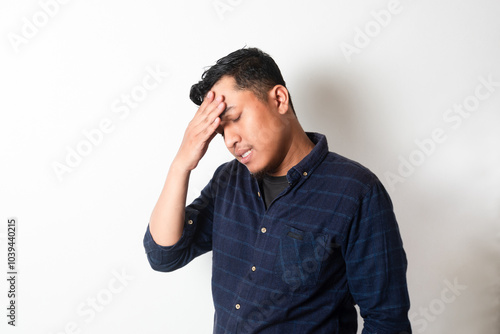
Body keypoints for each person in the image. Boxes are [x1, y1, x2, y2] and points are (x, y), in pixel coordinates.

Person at [143, 47, 412, 333]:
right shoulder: (228, 180)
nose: (231, 140)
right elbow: (164, 255)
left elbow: (387, 321)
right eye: (221, 132)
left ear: (279, 100)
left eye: (235, 118)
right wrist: (181, 164)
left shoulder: (356, 191)